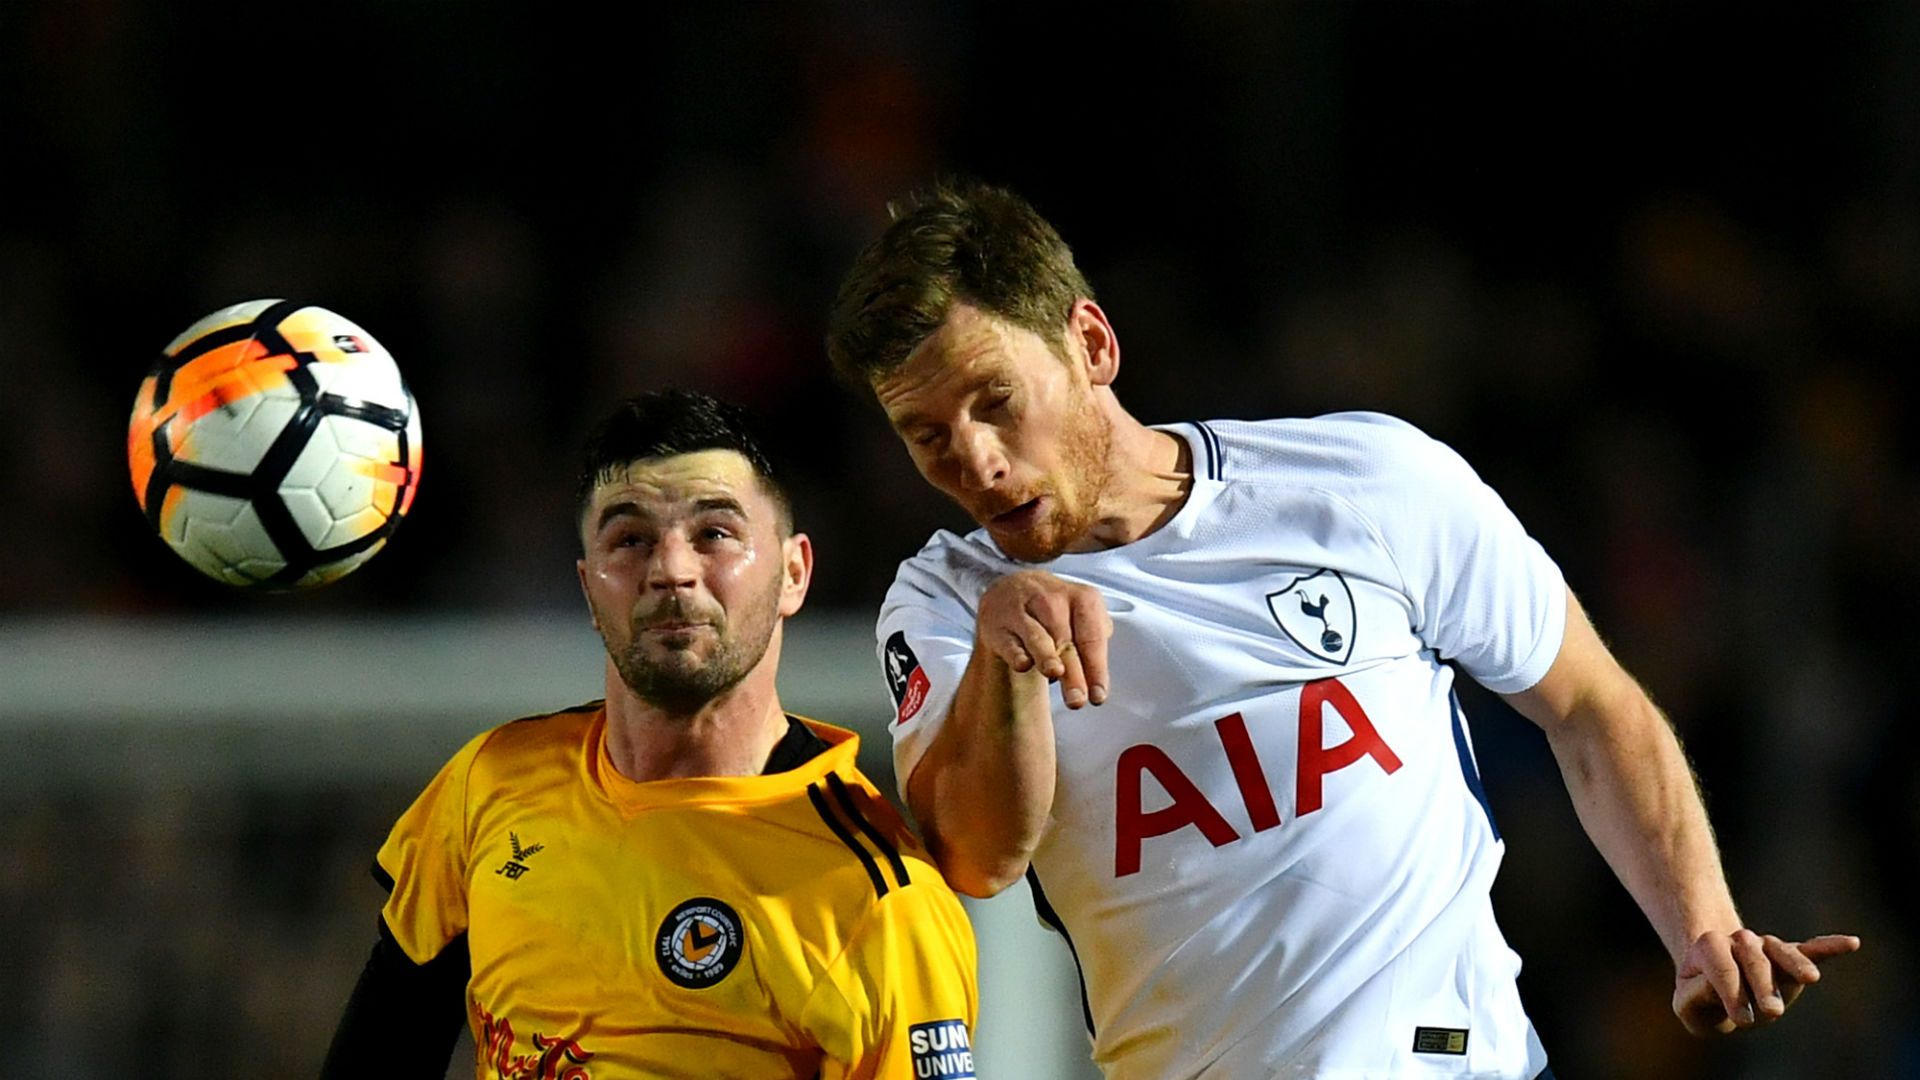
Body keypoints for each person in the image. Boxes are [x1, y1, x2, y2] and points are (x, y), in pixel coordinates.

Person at [824, 180, 1859, 1080]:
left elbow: (1591, 704)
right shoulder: (948, 604)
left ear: (1091, 345)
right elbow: (976, 857)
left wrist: (1701, 928)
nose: (977, 461)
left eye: (995, 401)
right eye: (926, 435)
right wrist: (1008, 666)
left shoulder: (1366, 483)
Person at [321, 389, 979, 1079]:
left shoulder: (880, 900)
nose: (671, 571)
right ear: (586, 589)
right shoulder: (492, 782)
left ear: (794, 574)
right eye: (630, 540)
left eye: (715, 534)